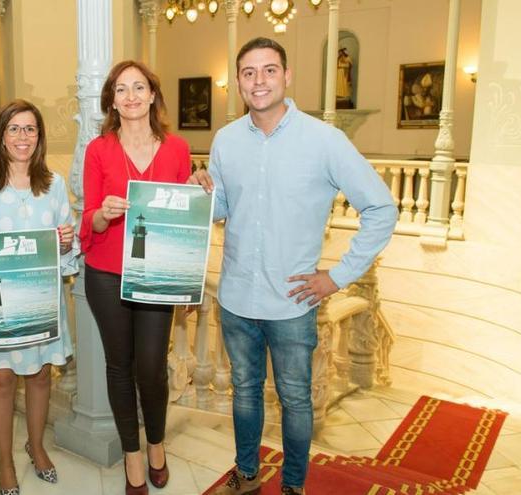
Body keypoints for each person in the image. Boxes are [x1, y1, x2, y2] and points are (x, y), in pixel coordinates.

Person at [189, 37, 396, 495]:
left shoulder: (324, 140)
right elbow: (223, 207)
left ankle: (294, 487)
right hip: (239, 295)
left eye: (268, 70)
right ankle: (246, 477)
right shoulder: (226, 140)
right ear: (239, 82)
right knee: (244, 392)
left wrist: (337, 276)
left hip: (292, 300)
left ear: (286, 76)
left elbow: (382, 209)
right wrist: (200, 188)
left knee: (296, 399)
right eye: (248, 72)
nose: (258, 80)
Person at [79, 60, 191, 495]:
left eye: (138, 87)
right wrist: (103, 215)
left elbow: (184, 217)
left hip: (157, 274)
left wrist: (198, 188)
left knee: (151, 367)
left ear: (151, 95)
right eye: (121, 89)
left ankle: (156, 444)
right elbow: (89, 218)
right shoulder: (98, 150)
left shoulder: (178, 149)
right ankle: (132, 455)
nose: (130, 96)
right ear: (111, 99)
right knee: (118, 367)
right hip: (106, 273)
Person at [0, 99, 77, 495]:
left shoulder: (54, 185)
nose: (23, 137)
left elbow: (67, 244)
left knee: (41, 374)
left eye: (30, 129)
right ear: (1, 136)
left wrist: (66, 241)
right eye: (14, 128)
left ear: (39, 137)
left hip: (40, 300)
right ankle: (5, 461)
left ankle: (37, 445)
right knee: (2, 380)